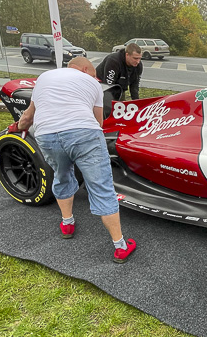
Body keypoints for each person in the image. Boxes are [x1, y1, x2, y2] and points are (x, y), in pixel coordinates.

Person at [12, 56, 137, 263]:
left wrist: (17, 128)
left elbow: (27, 118)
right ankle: (120, 246)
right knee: (101, 187)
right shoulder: (93, 83)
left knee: (61, 176)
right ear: (85, 69)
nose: (96, 78)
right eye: (94, 74)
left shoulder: (43, 77)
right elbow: (98, 122)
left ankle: (67, 223)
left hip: (47, 135)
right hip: (84, 133)